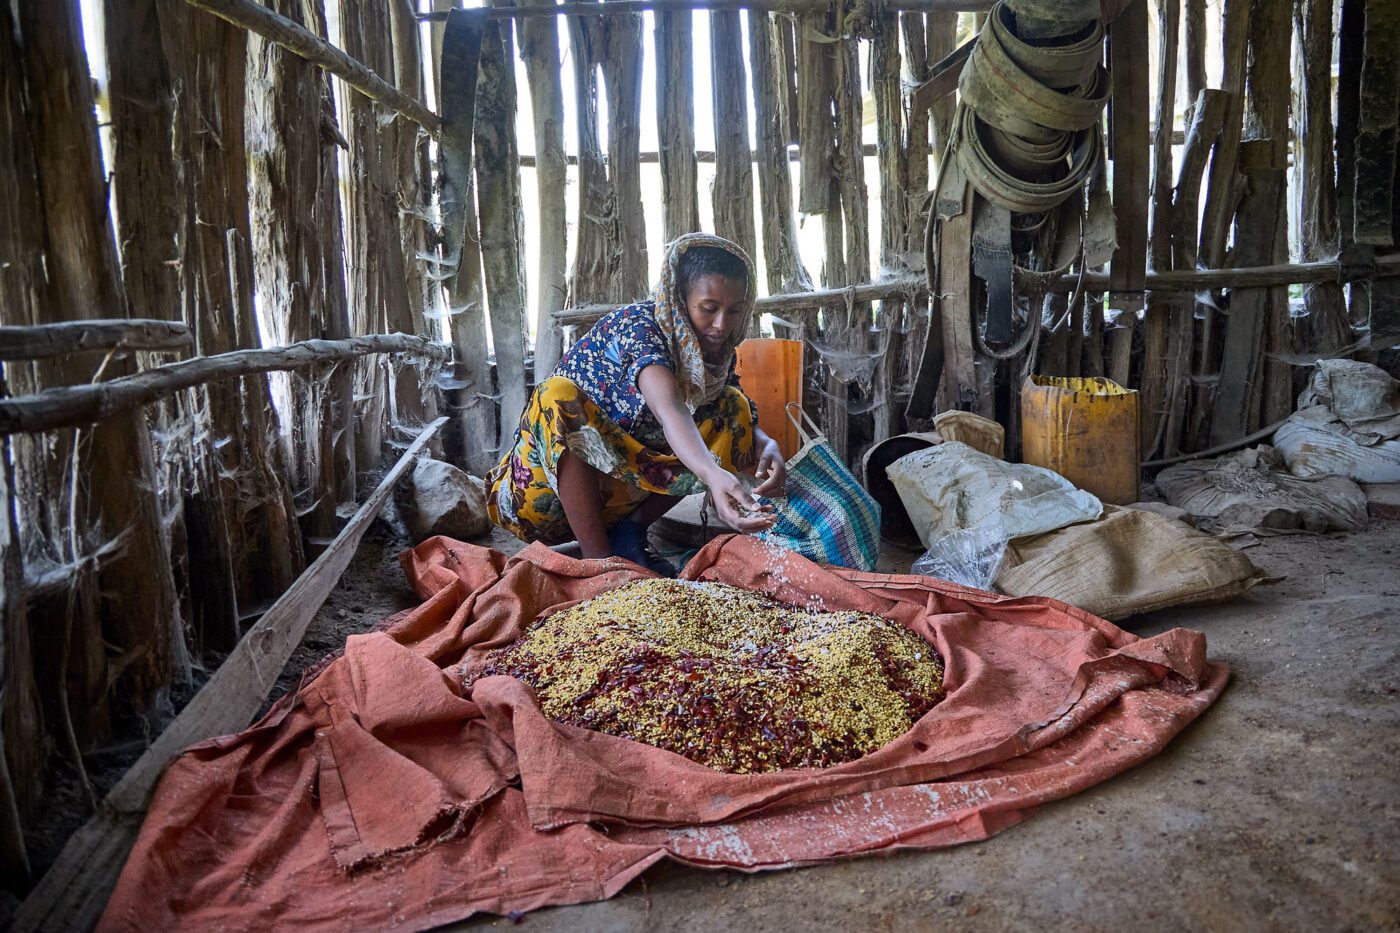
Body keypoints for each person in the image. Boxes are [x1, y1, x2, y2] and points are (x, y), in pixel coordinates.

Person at [486, 233, 786, 573]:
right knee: (556, 396)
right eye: (708, 308)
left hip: (618, 499)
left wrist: (766, 444)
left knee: (733, 407)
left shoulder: (711, 352)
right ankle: (601, 564)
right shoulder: (639, 329)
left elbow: (736, 412)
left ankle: (629, 533)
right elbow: (669, 409)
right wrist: (714, 475)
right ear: (679, 298)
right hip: (540, 500)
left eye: (734, 310)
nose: (721, 324)